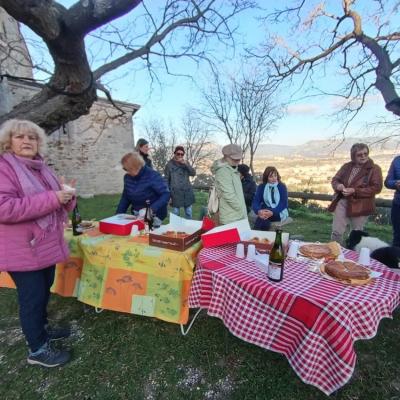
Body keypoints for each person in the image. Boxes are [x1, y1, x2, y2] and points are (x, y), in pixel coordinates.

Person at [0, 119, 76, 368]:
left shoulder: (42, 167)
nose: (27, 141)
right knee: (32, 298)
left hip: (44, 244)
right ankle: (37, 350)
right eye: (20, 137)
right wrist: (53, 198)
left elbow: (54, 204)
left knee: (44, 289)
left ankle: (42, 329)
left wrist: (67, 198)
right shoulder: (4, 167)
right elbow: (5, 208)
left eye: (32, 137)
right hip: (22, 248)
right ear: (8, 141)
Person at [329, 143, 383, 244]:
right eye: (359, 154)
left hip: (361, 204)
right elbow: (335, 180)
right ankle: (334, 253)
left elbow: (376, 188)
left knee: (356, 233)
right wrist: (338, 186)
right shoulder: (347, 166)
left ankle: (354, 256)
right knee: (337, 231)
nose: (363, 156)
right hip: (342, 201)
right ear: (353, 155)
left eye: (365, 154)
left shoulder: (375, 169)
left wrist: (354, 190)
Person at [117, 152, 170, 227]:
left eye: (127, 169)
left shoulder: (153, 175)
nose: (126, 171)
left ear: (134, 167)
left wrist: (150, 210)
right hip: (137, 214)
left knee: (149, 235)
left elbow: (166, 194)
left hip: (155, 214)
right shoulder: (127, 177)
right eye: (125, 169)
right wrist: (118, 216)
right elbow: (125, 197)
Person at [210, 144, 247, 225]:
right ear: (226, 157)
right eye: (235, 159)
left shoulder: (232, 168)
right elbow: (228, 195)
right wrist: (240, 208)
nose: (238, 161)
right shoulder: (223, 171)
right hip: (231, 217)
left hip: (236, 215)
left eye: (239, 158)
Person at [252, 166, 289, 231]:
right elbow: (256, 201)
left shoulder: (282, 186)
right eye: (271, 176)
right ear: (266, 177)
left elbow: (283, 204)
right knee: (264, 218)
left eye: (275, 175)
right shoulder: (262, 187)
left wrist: (272, 212)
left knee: (263, 219)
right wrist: (258, 211)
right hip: (264, 211)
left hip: (279, 212)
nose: (274, 178)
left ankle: (256, 235)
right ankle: (262, 237)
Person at [164, 146, 196, 219]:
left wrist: (186, 164)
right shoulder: (169, 165)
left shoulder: (186, 163)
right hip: (175, 193)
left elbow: (193, 173)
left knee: (189, 213)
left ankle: (189, 228)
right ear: (175, 153)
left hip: (187, 192)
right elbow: (166, 180)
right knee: (175, 214)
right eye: (178, 154)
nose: (180, 156)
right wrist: (168, 194)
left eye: (182, 154)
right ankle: (176, 229)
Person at [384, 155, 400, 247]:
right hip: (398, 205)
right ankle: (396, 260)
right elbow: (387, 182)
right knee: (397, 237)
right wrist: (396, 183)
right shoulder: (397, 160)